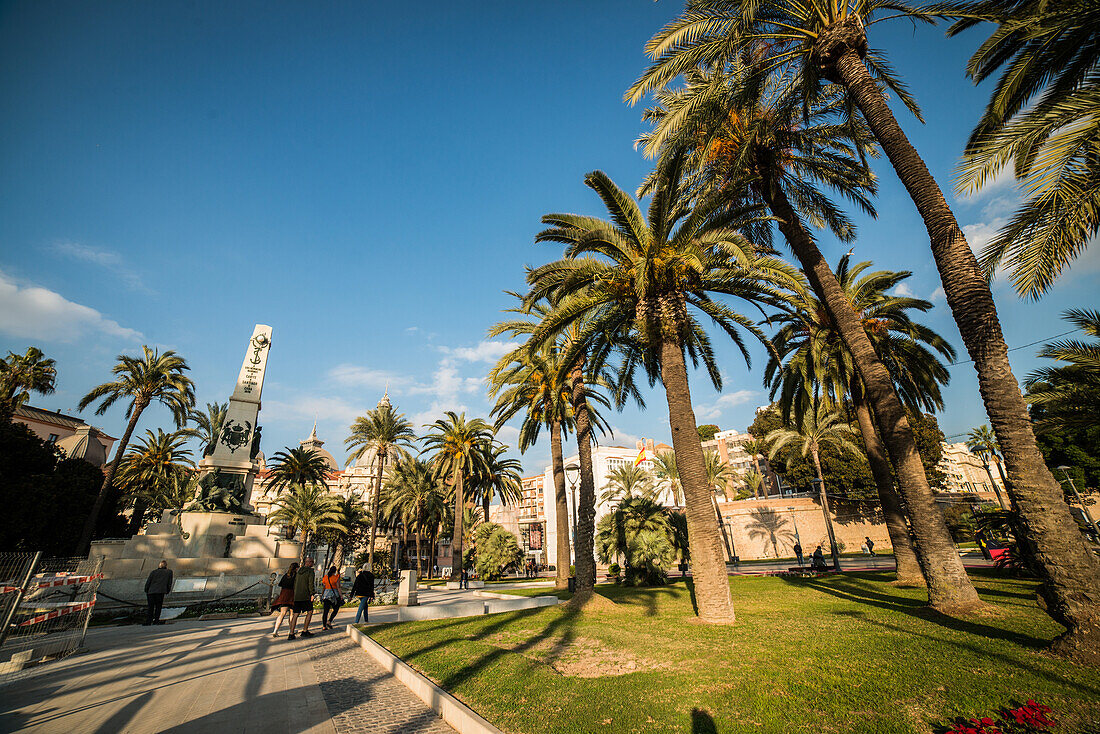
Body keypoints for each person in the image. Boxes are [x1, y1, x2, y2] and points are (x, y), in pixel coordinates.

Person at [287, 557, 316, 640]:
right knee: (310, 612)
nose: (313, 563)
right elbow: (310, 583)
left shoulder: (298, 571)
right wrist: (312, 593)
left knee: (295, 614)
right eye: (312, 562)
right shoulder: (310, 571)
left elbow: (295, 583)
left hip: (297, 596)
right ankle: (305, 630)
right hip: (306, 595)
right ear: (309, 563)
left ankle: (291, 633)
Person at [270, 562, 298, 637]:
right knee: (291, 614)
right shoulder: (296, 576)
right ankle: (291, 630)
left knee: (282, 614)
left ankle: (275, 630)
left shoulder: (286, 575)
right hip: (292, 595)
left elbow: (281, 585)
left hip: (284, 595)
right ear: (296, 568)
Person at [143, 560, 173, 626]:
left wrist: (146, 589)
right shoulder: (169, 572)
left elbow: (148, 582)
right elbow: (169, 582)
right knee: (158, 607)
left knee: (150, 607)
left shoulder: (153, 572)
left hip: (151, 591)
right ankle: (156, 620)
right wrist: (168, 590)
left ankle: (149, 621)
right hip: (160, 591)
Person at [320, 565, 343, 630]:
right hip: (334, 595)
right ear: (335, 571)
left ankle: (324, 626)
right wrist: (341, 596)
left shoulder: (325, 577)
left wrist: (322, 595)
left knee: (325, 611)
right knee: (336, 609)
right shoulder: (336, 577)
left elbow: (324, 587)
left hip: (326, 595)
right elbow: (338, 587)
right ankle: (329, 621)